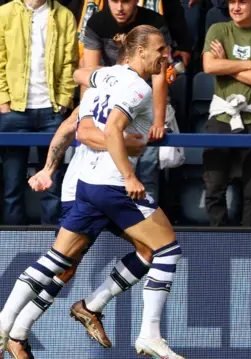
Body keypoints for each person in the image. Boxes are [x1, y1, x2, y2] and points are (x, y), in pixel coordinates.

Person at [0, 25, 184, 359]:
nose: (165, 55)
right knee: (164, 251)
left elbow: (81, 77)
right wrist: (128, 160)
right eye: (160, 49)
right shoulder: (135, 88)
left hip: (89, 183)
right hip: (102, 182)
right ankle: (145, 333)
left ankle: (19, 322)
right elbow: (84, 130)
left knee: (71, 259)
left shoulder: (105, 78)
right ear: (139, 51)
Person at [81, 0, 171, 202]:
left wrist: (158, 120)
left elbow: (159, 76)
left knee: (146, 169)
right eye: (114, 1)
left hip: (142, 101)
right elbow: (87, 72)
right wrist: (86, 112)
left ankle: (145, 210)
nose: (120, 7)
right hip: (109, 97)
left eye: (126, 1)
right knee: (105, 168)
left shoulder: (154, 21)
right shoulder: (97, 22)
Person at [201, 0, 251, 226]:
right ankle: (219, 244)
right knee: (214, 187)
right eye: (232, 2)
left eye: (242, 2)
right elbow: (209, 67)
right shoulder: (218, 29)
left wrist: (227, 64)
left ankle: (249, 244)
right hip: (222, 114)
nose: (235, 7)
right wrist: (249, 64)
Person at [0, 0, 78, 225]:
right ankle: (11, 248)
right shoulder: (5, 13)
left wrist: (63, 101)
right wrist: (4, 102)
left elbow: (70, 62)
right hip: (14, 111)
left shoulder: (64, 15)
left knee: (52, 186)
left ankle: (52, 248)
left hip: (52, 112)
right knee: (12, 185)